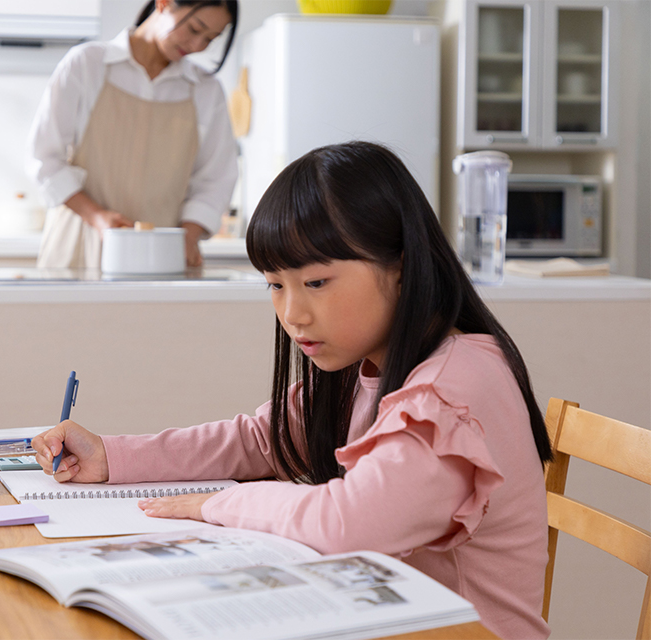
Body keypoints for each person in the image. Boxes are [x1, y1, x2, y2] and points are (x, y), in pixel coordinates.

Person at [32, 141, 554, 639]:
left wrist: (217, 504)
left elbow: (349, 524)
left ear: (399, 267)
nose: (292, 314)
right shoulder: (368, 364)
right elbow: (260, 439)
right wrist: (111, 456)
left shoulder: (452, 388)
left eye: (317, 283)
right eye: (276, 285)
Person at [28, 0, 239, 269]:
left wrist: (190, 234)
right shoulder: (86, 64)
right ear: (163, 4)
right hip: (79, 243)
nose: (198, 46)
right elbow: (44, 158)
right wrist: (97, 217)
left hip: (163, 255)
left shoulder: (206, 90)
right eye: (195, 29)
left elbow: (216, 179)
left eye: (211, 38)